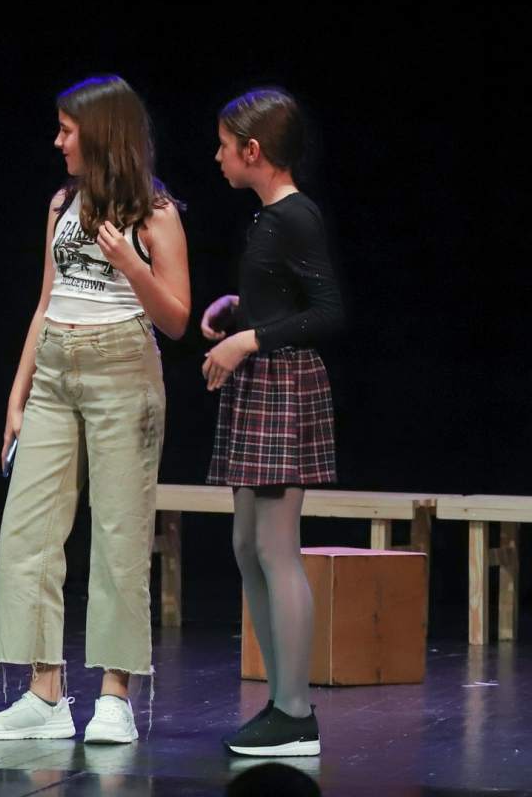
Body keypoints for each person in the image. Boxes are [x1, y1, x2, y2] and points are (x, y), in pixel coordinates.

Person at [0, 76, 190, 743]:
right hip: (55, 372)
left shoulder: (155, 212)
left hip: (123, 369)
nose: (58, 141)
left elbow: (177, 318)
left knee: (120, 535)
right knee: (27, 533)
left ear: (100, 133)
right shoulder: (62, 202)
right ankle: (45, 696)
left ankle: (115, 697)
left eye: (67, 130)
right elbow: (46, 300)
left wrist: (131, 264)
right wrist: (18, 393)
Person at [202, 88, 344, 756]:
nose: (218, 156)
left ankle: (295, 711)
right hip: (260, 381)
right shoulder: (269, 218)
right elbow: (285, 296)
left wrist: (248, 340)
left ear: (253, 151)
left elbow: (327, 311)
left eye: (225, 146)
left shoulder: (296, 216)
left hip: (283, 385)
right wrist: (238, 309)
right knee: (245, 545)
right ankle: (280, 699)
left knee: (275, 548)